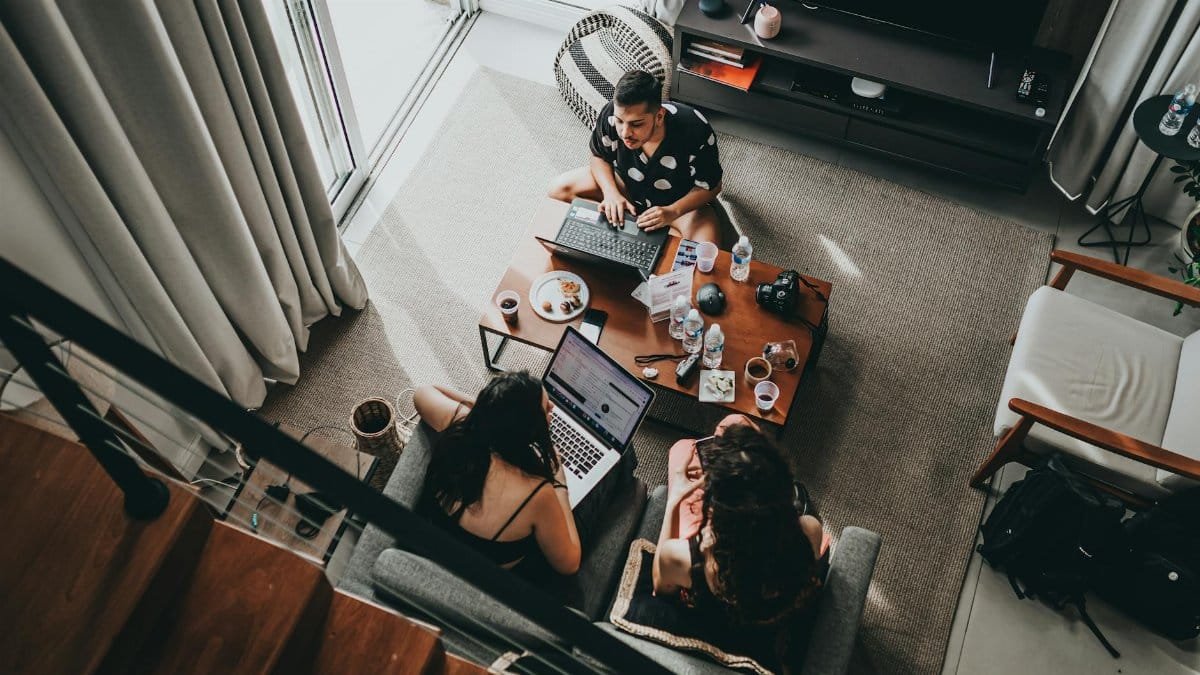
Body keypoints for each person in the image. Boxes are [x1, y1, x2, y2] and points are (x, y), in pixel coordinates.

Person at [653, 415, 828, 630]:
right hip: (770, 617)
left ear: (718, 511)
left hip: (717, 622)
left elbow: (660, 589)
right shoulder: (810, 530)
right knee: (734, 420)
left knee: (681, 449)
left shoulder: (683, 557)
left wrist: (673, 502)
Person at [413, 372, 581, 577]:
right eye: (545, 407)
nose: (551, 408)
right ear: (529, 429)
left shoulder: (462, 427)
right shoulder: (538, 494)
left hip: (439, 544)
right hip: (483, 577)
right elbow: (569, 565)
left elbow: (423, 392)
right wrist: (560, 483)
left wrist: (487, 413)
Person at [548, 69, 725, 244]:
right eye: (619, 121)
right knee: (558, 189)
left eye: (636, 124)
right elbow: (599, 156)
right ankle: (626, 228)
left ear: (659, 116)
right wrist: (611, 193)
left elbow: (712, 185)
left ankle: (638, 230)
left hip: (676, 203)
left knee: (706, 249)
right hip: (624, 184)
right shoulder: (610, 113)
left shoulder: (694, 129)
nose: (625, 133)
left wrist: (673, 211)